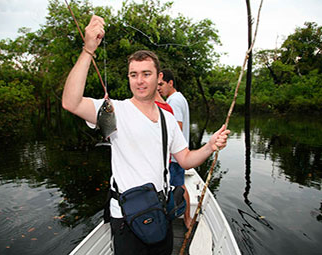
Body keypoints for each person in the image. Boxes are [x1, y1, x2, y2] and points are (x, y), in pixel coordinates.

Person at [62, 15, 230, 255]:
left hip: (159, 212)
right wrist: (89, 50)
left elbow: (185, 160)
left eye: (146, 74)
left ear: (159, 77)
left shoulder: (168, 119)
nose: (139, 81)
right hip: (126, 218)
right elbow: (71, 102)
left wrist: (210, 146)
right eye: (133, 74)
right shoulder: (114, 110)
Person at [158, 69, 191, 229]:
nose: (158, 88)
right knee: (179, 184)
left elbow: (176, 128)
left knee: (179, 186)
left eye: (161, 84)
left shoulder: (174, 101)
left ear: (170, 83)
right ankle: (186, 217)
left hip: (175, 155)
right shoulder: (178, 98)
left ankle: (187, 219)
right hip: (178, 154)